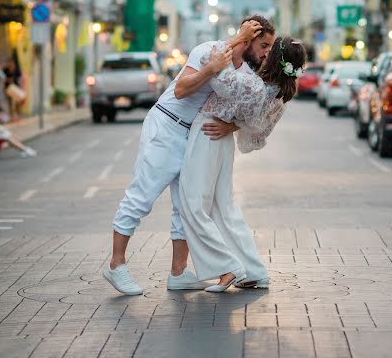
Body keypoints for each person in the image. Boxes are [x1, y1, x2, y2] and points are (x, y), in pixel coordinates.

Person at [103, 15, 276, 296]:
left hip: (194, 136)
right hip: (166, 124)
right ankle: (116, 264)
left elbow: (245, 112)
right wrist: (212, 68)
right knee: (142, 196)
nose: (267, 51)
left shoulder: (245, 72)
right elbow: (182, 90)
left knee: (184, 205)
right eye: (264, 44)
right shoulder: (209, 50)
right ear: (248, 38)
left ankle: (179, 272)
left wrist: (229, 126)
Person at [179, 37, 306, 292]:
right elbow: (258, 126)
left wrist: (237, 39)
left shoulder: (254, 85)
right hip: (221, 137)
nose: (265, 52)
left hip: (208, 131)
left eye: (270, 49)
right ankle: (253, 270)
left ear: (275, 60)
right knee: (223, 207)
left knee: (192, 204)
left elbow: (215, 71)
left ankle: (228, 268)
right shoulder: (276, 93)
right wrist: (232, 126)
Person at [4, 53, 26, 121]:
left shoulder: (17, 69)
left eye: (11, 61)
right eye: (9, 61)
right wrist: (8, 80)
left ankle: (18, 115)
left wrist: (14, 79)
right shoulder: (5, 69)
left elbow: (19, 77)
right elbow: (3, 78)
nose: (10, 63)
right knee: (10, 103)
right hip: (8, 88)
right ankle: (11, 116)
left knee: (18, 102)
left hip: (16, 88)